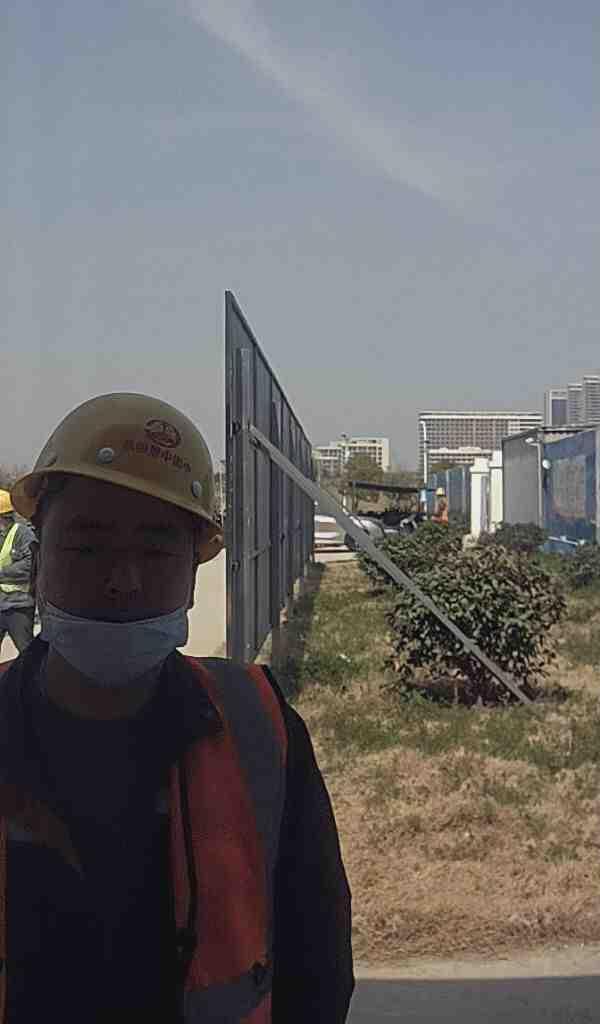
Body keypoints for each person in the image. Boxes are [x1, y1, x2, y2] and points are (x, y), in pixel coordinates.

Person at [0, 393, 354, 1023]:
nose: (123, 580)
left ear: (194, 569)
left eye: (157, 549)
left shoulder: (260, 726)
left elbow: (317, 968)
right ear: (40, 557)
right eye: (87, 547)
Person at [0, 490, 36, 654]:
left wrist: (2, 572)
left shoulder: (23, 534)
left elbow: (30, 564)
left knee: (27, 652)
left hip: (18, 606)